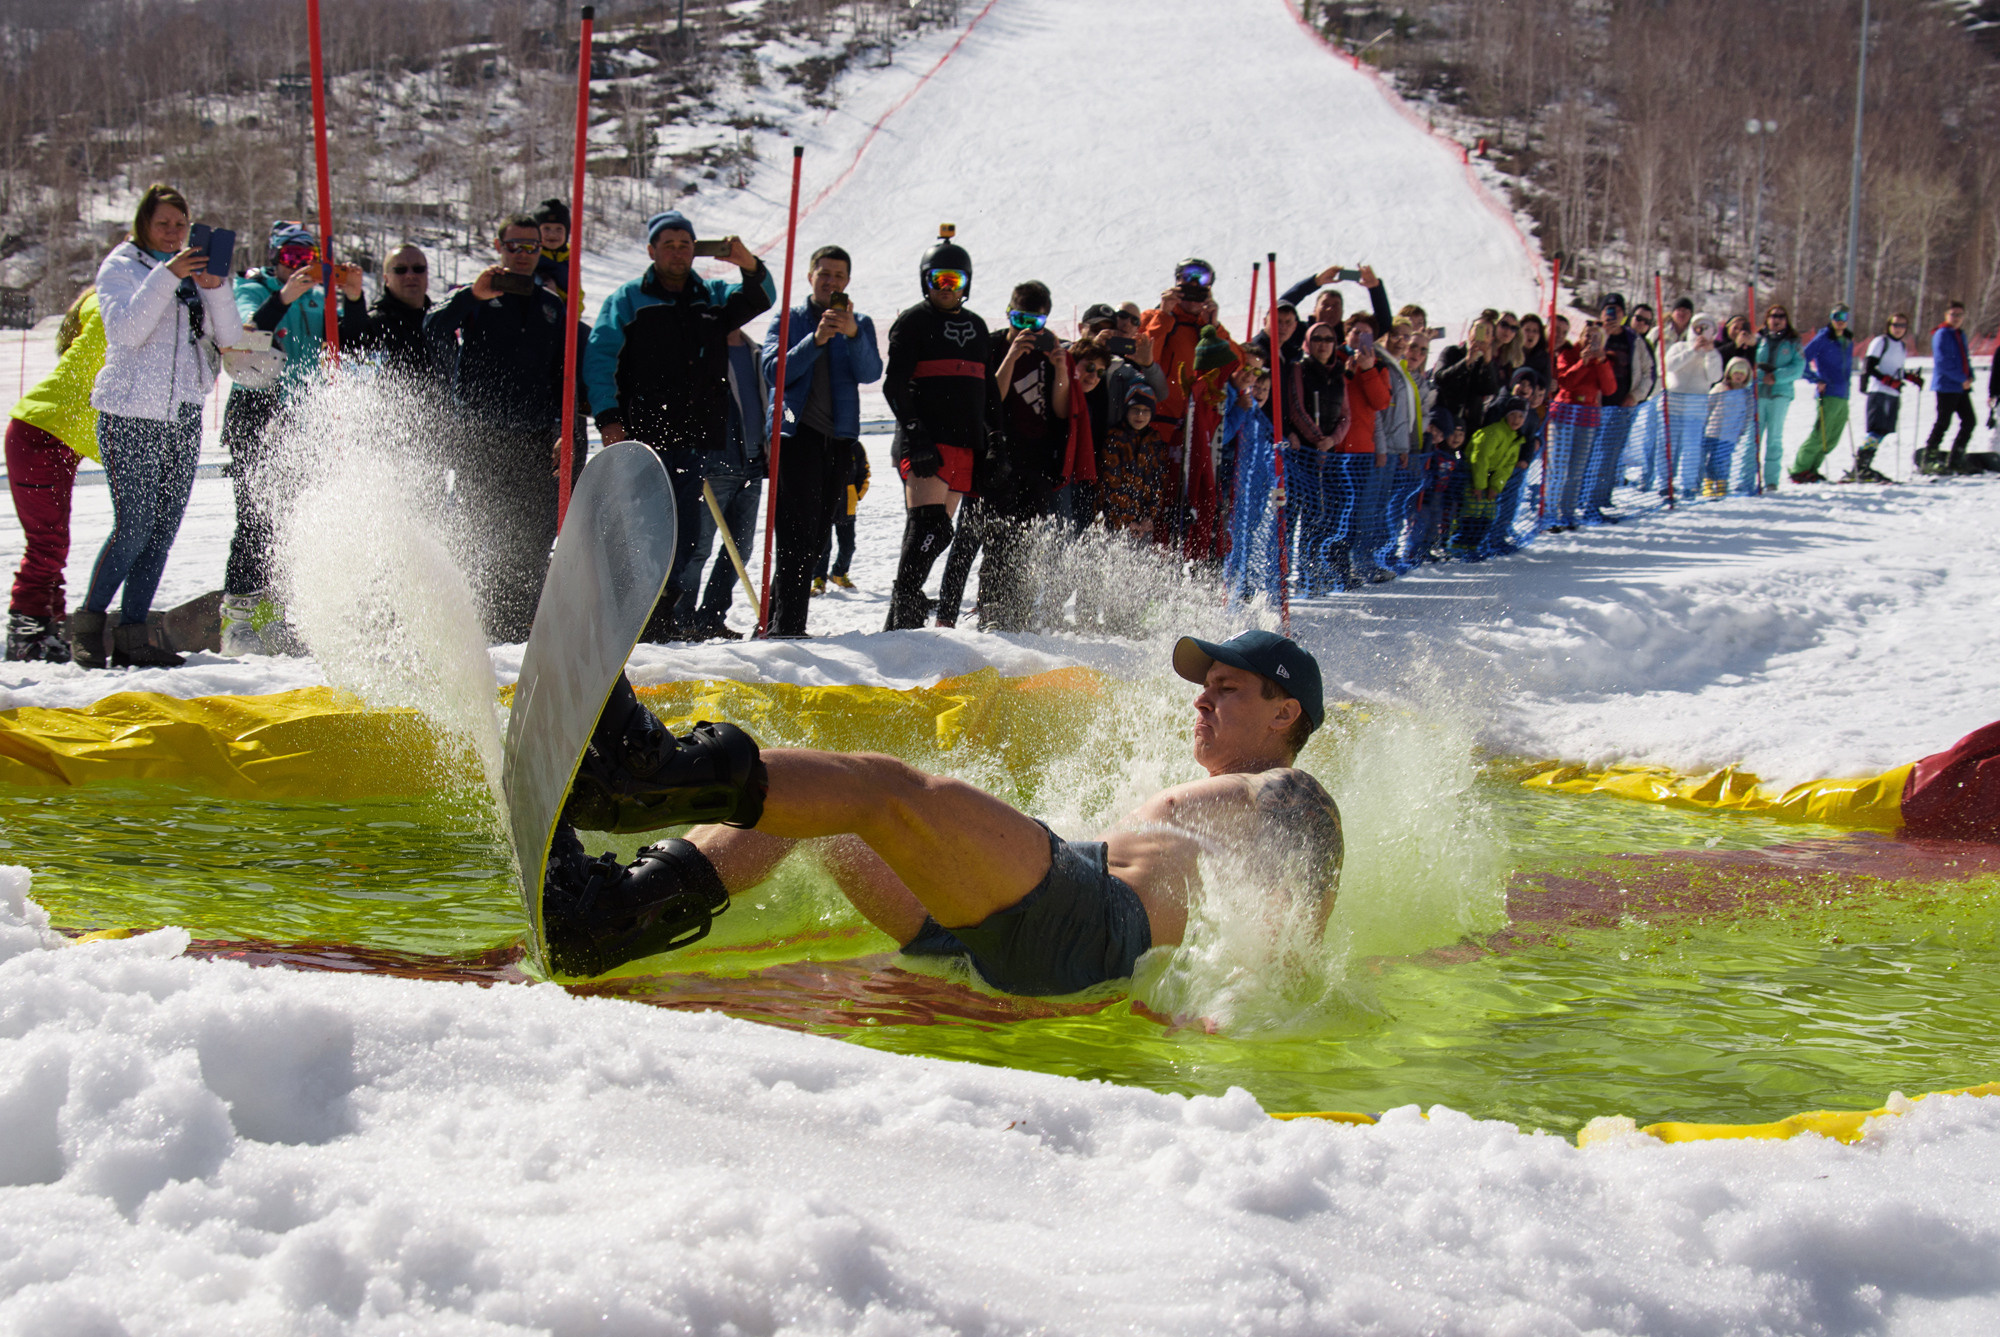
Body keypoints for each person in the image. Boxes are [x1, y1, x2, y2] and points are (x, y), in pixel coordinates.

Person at [538, 629, 1342, 991]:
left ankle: (646, 775)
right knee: (825, 807)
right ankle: (613, 917)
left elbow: (1302, 897)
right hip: (994, 942)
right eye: (1203, 687)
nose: (1201, 699)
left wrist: (1246, 999)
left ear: (1285, 713)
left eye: (1227, 688)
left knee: (883, 789)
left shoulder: (1289, 793)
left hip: (1083, 920)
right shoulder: (1214, 811)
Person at [585, 210, 775, 640]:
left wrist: (748, 263)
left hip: (694, 439)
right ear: (651, 250)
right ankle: (628, 615)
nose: (677, 252)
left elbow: (762, 296)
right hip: (641, 437)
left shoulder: (712, 297)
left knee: (686, 538)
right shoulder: (628, 299)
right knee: (642, 530)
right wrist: (609, 418)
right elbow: (599, 357)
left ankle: (660, 615)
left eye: (685, 244)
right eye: (668, 245)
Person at [75, 183, 241, 670]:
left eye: (180, 224)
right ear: (143, 223)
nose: (172, 232)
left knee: (163, 530)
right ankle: (89, 626)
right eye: (163, 223)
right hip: (130, 414)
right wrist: (167, 275)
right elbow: (126, 331)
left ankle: (133, 635)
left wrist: (216, 288)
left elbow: (230, 339)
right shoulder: (122, 267)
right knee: (134, 527)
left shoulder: (194, 274)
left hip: (183, 415)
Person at [218, 219, 367, 655]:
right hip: (258, 410)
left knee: (293, 520)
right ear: (275, 258)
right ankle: (238, 617)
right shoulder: (255, 288)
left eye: (307, 257)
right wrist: (285, 296)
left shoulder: (318, 300)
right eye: (290, 256)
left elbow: (353, 342)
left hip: (303, 415)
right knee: (256, 518)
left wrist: (354, 297)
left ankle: (275, 610)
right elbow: (245, 333)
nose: (298, 265)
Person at [428, 212, 579, 642]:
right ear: (499, 247)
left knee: (533, 535)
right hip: (481, 435)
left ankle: (518, 623)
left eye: (532, 246)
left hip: (534, 437)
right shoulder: (475, 295)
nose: (523, 254)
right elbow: (433, 330)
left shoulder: (552, 306)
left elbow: (564, 375)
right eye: (514, 246)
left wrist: (564, 428)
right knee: (480, 530)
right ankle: (475, 622)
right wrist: (470, 297)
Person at [760, 244, 882, 637]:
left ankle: (775, 621)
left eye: (839, 276)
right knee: (795, 534)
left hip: (840, 439)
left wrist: (852, 334)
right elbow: (773, 371)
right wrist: (814, 340)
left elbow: (870, 372)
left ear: (848, 281)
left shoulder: (859, 323)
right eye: (824, 273)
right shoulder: (789, 319)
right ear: (810, 276)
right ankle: (788, 627)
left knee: (816, 537)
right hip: (795, 433)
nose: (831, 281)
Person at [882, 228, 996, 631]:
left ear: (966, 283)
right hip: (926, 442)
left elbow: (989, 391)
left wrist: (995, 442)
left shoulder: (977, 327)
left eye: (954, 279)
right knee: (927, 528)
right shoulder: (913, 322)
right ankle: (905, 616)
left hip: (965, 444)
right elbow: (894, 386)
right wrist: (916, 435)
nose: (946, 287)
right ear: (925, 281)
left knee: (936, 534)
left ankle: (897, 622)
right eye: (938, 279)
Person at [6, 286, 104, 662]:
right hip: (39, 437)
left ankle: (50, 622)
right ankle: (26, 630)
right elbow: (105, 310)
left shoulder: (96, 346)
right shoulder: (105, 317)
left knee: (54, 540)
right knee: (47, 542)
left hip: (50, 439)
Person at [672, 329, 767, 639]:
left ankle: (711, 617)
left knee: (740, 548)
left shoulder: (755, 351)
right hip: (715, 464)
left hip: (753, 463)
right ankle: (681, 619)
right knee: (697, 547)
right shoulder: (704, 350)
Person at [347, 242, 435, 381]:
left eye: (418, 269)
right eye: (400, 270)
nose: (410, 275)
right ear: (386, 279)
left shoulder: (441, 321)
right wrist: (353, 301)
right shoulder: (375, 324)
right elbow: (351, 341)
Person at [1789, 305, 1855, 484]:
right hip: (1829, 393)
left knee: (1832, 438)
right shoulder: (1823, 338)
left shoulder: (1847, 340)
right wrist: (1815, 379)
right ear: (1831, 318)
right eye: (1836, 316)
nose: (1840, 321)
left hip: (1843, 394)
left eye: (1844, 317)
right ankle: (1800, 468)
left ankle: (1812, 468)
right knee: (1821, 434)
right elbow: (1802, 360)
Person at [1855, 313, 1919, 483]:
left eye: (1902, 326)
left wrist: (1910, 377)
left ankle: (1864, 465)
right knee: (1875, 429)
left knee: (1883, 430)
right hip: (1879, 391)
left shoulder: (1901, 346)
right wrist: (1887, 380)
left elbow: (1896, 369)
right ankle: (1861, 465)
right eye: (1895, 325)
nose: (1898, 329)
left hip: (1893, 393)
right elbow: (1869, 366)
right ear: (1889, 326)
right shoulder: (1881, 342)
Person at [1753, 305, 1804, 489]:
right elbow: (1749, 362)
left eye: (1781, 316)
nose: (1777, 320)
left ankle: (1772, 480)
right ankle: (1748, 477)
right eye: (1773, 316)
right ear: (1767, 319)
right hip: (1759, 392)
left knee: (1774, 437)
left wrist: (1776, 376)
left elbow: (1798, 367)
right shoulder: (1758, 339)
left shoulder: (1793, 342)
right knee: (1754, 437)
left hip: (1780, 393)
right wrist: (1761, 376)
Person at [1923, 300, 1976, 475]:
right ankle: (1929, 458)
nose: (1956, 318)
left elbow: (1964, 357)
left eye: (1959, 315)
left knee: (1969, 421)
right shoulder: (1942, 333)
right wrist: (1961, 378)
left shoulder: (1960, 334)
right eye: (1953, 314)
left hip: (1960, 386)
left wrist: (1970, 376)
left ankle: (1956, 459)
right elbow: (1942, 362)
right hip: (1947, 385)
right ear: (1946, 315)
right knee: (1943, 422)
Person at [533, 198, 571, 297]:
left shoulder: (570, 258)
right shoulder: (532, 256)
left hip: (567, 305)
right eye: (546, 228)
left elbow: (577, 292)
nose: (552, 234)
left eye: (559, 229)